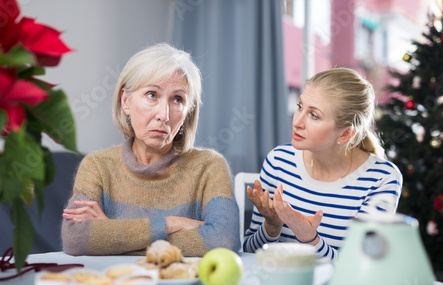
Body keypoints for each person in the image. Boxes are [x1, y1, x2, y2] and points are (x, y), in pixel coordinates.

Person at [61, 43, 240, 256]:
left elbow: (223, 240)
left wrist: (112, 236)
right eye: (152, 95)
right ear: (125, 101)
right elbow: (75, 238)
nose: (164, 115)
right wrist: (169, 223)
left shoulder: (210, 166)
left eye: (177, 99)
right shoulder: (97, 166)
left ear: (187, 113)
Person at [243, 68, 402, 261]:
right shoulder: (279, 161)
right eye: (300, 106)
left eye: (314, 115)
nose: (297, 122)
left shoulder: (381, 178)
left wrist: (310, 239)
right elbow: (249, 253)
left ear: (346, 134)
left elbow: (361, 267)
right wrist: (271, 227)